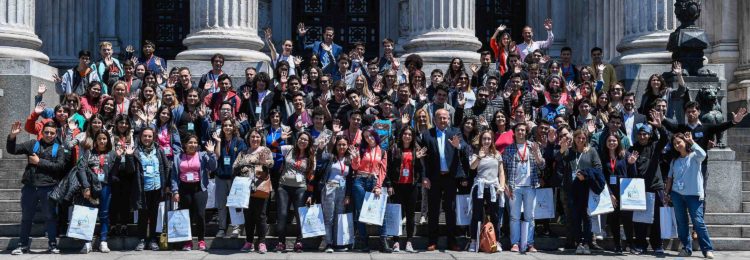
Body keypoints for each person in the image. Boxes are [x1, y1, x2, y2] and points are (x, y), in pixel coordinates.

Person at [8, 121, 65, 255]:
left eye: (52, 133)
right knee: (26, 218)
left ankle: (52, 245)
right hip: (30, 187)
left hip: (48, 188)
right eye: (46, 132)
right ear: (42, 133)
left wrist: (39, 162)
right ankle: (22, 245)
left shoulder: (59, 148)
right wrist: (12, 136)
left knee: (50, 217)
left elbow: (59, 167)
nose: (49, 135)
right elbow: (12, 150)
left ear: (55, 134)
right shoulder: (33, 144)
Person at [421, 109, 469, 251]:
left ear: (449, 119)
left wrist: (458, 146)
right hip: (434, 178)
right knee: (434, 210)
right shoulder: (426, 134)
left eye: (445, 118)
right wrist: (424, 176)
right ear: (434, 119)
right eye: (440, 118)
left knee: (450, 210)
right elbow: (422, 158)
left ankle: (452, 241)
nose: (443, 120)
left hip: (450, 178)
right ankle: (432, 241)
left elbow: (466, 148)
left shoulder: (455, 132)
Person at [74, 130, 124, 253]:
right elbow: (81, 169)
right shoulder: (89, 152)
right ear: (95, 141)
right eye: (99, 139)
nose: (102, 141)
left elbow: (114, 173)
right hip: (90, 188)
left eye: (104, 139)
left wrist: (118, 158)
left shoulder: (112, 153)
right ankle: (87, 242)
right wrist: (86, 186)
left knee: (104, 214)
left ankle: (103, 241)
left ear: (108, 140)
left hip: (105, 187)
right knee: (88, 214)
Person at [555, 129, 604, 255]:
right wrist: (562, 149)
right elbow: (558, 162)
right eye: (578, 138)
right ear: (574, 139)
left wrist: (586, 176)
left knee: (586, 218)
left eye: (583, 138)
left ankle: (587, 243)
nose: (581, 140)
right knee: (574, 217)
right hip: (571, 189)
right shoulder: (569, 151)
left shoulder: (591, 151)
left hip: (586, 189)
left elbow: (598, 168)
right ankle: (578, 243)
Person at [665, 133, 714, 259]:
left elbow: (703, 154)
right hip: (677, 194)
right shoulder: (674, 160)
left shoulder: (695, 156)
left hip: (694, 195)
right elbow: (670, 178)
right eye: (674, 144)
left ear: (685, 142)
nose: (677, 145)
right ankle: (686, 248)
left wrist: (692, 141)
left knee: (698, 222)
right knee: (681, 223)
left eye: (679, 142)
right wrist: (667, 193)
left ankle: (707, 249)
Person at [503, 122, 545, 253]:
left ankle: (529, 243)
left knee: (530, 216)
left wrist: (537, 154)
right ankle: (515, 243)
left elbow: (542, 165)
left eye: (523, 130)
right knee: (514, 217)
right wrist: (505, 185)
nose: (520, 132)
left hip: (530, 186)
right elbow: (502, 169)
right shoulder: (509, 149)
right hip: (514, 186)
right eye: (518, 130)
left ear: (526, 132)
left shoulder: (533, 146)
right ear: (514, 133)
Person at [171, 135, 217, 251]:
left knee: (200, 215)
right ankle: (188, 241)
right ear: (185, 144)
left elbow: (213, 167)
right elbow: (174, 177)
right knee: (187, 216)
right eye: (190, 143)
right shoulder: (178, 157)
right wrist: (175, 191)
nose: (193, 145)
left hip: (199, 189)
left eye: (195, 143)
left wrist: (211, 154)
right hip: (184, 189)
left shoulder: (202, 155)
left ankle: (201, 240)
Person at [349, 128, 391, 253]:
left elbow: (382, 171)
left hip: (373, 181)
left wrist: (378, 186)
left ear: (375, 136)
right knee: (361, 211)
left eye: (371, 136)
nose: (369, 139)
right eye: (366, 137)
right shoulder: (361, 149)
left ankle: (383, 241)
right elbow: (355, 167)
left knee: (380, 211)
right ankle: (364, 242)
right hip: (360, 181)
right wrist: (355, 157)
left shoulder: (383, 151)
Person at [232, 128, 274, 253]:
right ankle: (249, 241)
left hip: (261, 186)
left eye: (257, 137)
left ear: (261, 138)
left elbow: (271, 164)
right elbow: (235, 166)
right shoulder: (243, 152)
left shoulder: (265, 150)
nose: (255, 139)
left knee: (261, 215)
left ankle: (261, 242)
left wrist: (263, 162)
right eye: (252, 137)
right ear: (248, 139)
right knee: (248, 215)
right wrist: (252, 162)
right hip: (245, 187)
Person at [313, 136, 357, 253]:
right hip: (330, 188)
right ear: (335, 146)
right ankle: (328, 243)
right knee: (329, 218)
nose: (341, 147)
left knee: (339, 217)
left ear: (347, 146)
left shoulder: (349, 159)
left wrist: (348, 195)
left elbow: (349, 179)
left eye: (344, 144)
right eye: (339, 144)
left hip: (342, 191)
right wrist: (321, 148)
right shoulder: (330, 157)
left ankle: (338, 243)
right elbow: (319, 157)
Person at [129, 127, 171, 251]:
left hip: (157, 188)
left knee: (154, 215)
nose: (147, 138)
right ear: (140, 137)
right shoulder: (135, 151)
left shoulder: (159, 150)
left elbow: (166, 167)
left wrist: (166, 184)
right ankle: (142, 240)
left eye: (149, 136)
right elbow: (130, 170)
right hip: (142, 188)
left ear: (153, 137)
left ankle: (153, 239)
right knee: (143, 215)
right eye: (144, 136)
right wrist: (129, 156)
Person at [275, 132, 315, 253]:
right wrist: (279, 139)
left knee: (299, 216)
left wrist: (310, 195)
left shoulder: (311, 155)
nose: (303, 141)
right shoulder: (288, 148)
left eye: (306, 140)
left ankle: (299, 241)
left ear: (309, 143)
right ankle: (281, 242)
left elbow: (312, 175)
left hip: (300, 188)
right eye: (301, 139)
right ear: (297, 139)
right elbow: (271, 148)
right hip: (284, 187)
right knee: (282, 215)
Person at [467, 130, 506, 252]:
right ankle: (473, 241)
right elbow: (472, 167)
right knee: (476, 214)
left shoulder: (497, 154)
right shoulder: (476, 153)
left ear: (492, 140)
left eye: (489, 139)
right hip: (480, 186)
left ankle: (496, 241)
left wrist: (502, 186)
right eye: (484, 139)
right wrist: (479, 157)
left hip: (493, 187)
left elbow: (501, 172)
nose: (486, 141)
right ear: (481, 140)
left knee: (494, 215)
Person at [600, 132, 637, 255]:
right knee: (614, 220)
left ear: (618, 142)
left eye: (614, 141)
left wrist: (631, 164)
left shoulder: (625, 155)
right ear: (606, 143)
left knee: (627, 220)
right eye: (609, 141)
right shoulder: (603, 157)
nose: (612, 143)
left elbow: (633, 175)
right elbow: (603, 177)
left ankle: (631, 245)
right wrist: (610, 194)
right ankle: (617, 245)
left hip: (625, 192)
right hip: (611, 193)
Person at [212, 117, 247, 238]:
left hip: (234, 178)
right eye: (225, 125)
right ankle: (222, 228)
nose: (227, 127)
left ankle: (236, 228)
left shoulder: (239, 141)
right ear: (222, 127)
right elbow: (217, 156)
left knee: (236, 204)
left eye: (230, 125)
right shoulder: (219, 140)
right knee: (221, 205)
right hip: (220, 177)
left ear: (234, 127)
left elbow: (241, 159)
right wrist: (218, 141)